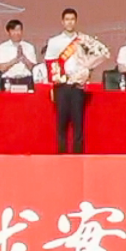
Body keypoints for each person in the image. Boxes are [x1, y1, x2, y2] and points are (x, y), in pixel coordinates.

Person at [43, 9, 89, 153]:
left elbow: (88, 63)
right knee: (61, 122)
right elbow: (50, 63)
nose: (70, 22)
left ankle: (78, 154)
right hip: (61, 86)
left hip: (77, 85)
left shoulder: (83, 41)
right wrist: (54, 82)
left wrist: (85, 76)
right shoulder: (54, 41)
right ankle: (61, 153)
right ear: (62, 22)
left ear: (76, 21)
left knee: (78, 122)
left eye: (72, 19)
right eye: (67, 19)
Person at [0, 19, 38, 92]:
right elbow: (2, 68)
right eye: (13, 30)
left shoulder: (29, 46)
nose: (17, 33)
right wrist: (15, 60)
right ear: (8, 32)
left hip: (26, 79)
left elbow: (33, 68)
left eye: (18, 30)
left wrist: (23, 58)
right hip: (8, 80)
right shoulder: (2, 47)